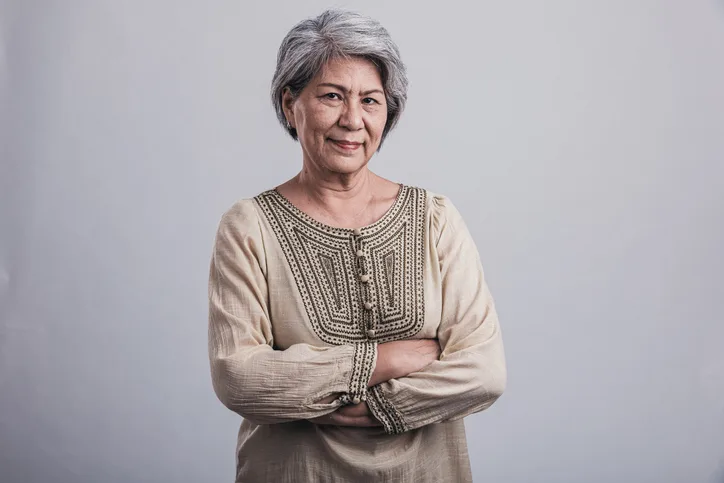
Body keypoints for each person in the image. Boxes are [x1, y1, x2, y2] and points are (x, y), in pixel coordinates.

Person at [207, 8, 506, 482]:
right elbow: (239, 378)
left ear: (389, 112)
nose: (352, 119)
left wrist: (360, 404)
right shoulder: (249, 228)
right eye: (332, 96)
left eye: (370, 100)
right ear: (290, 104)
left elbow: (484, 372)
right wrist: (382, 360)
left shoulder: (435, 219)